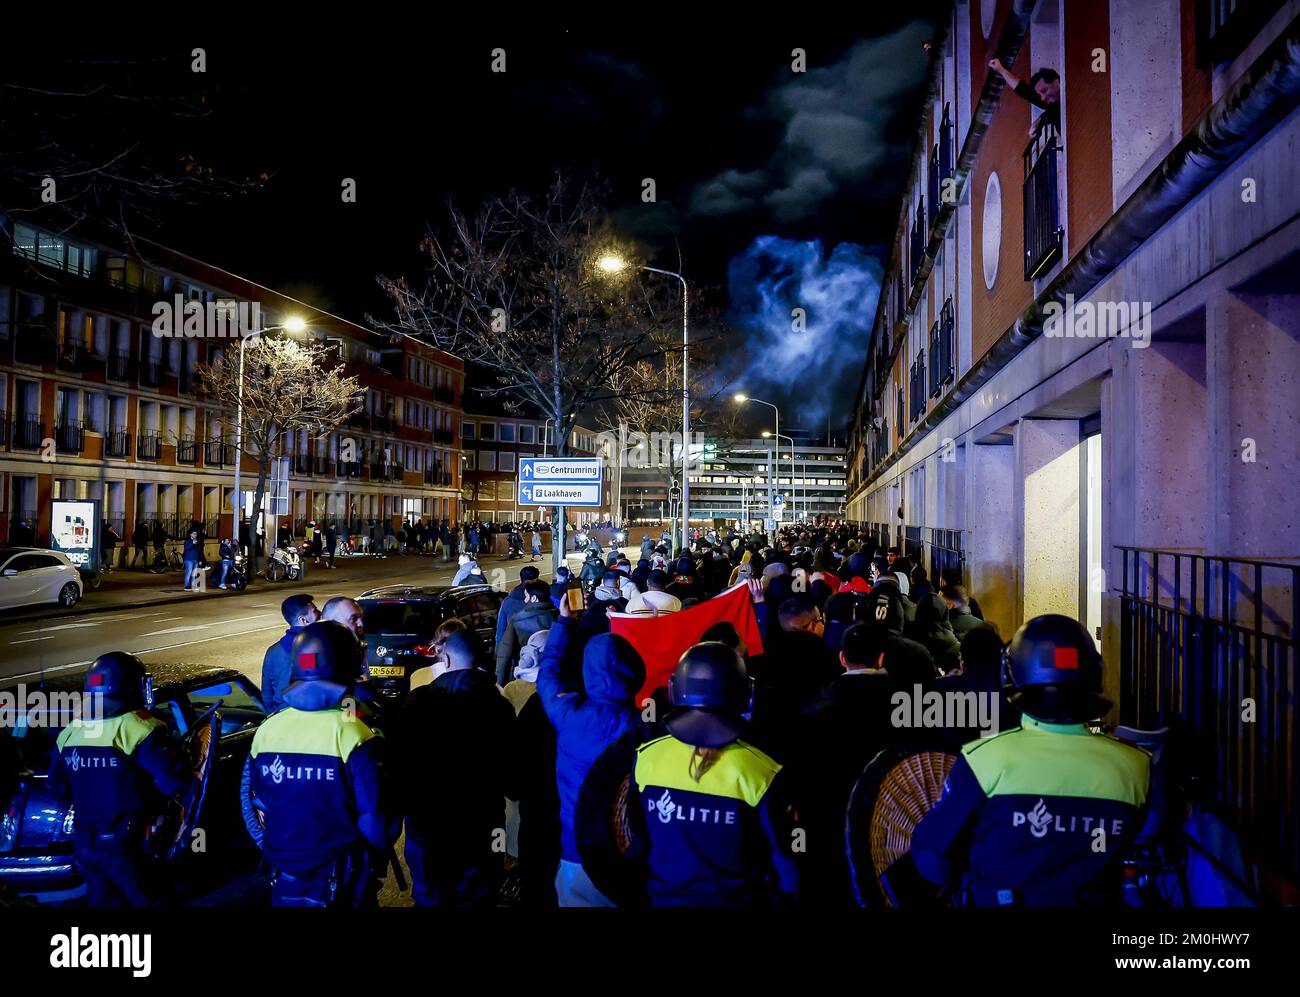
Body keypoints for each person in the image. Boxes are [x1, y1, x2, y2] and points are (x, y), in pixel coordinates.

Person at [911, 614, 1151, 906]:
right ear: (1094, 673)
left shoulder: (984, 760)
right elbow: (1143, 839)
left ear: (1011, 675)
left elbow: (933, 857)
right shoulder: (1136, 766)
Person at [627, 642, 799, 906]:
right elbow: (785, 856)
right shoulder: (761, 772)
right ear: (747, 694)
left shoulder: (646, 757)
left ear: (674, 690)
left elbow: (639, 830)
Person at [245, 621, 398, 906]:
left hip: (284, 878)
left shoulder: (267, 730)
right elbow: (375, 820)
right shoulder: (355, 733)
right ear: (349, 666)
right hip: (342, 882)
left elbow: (260, 803)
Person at [46, 652, 191, 905]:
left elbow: (57, 788)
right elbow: (172, 782)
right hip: (128, 844)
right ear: (133, 685)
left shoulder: (70, 732)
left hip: (84, 844)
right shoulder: (141, 727)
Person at [536, 598, 647, 906]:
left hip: (576, 851)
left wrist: (564, 622)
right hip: (629, 853)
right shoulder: (647, 728)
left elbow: (547, 673)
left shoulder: (568, 714)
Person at [394, 629, 517, 906]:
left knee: (430, 897)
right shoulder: (498, 707)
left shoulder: (417, 703)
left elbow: (399, 768)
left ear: (446, 660)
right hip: (482, 827)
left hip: (427, 829)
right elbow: (513, 779)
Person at [788, 624, 898, 904]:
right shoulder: (906, 705)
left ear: (842, 658)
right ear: (881, 658)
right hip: (890, 827)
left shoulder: (813, 708)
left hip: (829, 825)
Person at [260, 594, 320, 714]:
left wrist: (273, 713)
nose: (320, 613)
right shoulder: (310, 648)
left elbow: (266, 692)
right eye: (315, 611)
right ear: (303, 620)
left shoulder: (272, 651)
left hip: (278, 714)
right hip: (303, 715)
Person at [495, 579, 558, 686]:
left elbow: (505, 655)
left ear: (534, 598)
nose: (525, 600)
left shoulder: (517, 620)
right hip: (555, 675)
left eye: (526, 596)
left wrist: (500, 683)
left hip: (526, 676)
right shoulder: (560, 617)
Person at [989, 57, 1060, 139]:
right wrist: (1001, 70)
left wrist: (1039, 121)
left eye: (1044, 91)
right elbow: (1024, 90)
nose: (1043, 98)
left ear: (1056, 82)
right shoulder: (1052, 107)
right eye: (1040, 95)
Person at [495, 565, 542, 649]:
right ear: (537, 579)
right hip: (539, 649)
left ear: (521, 579)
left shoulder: (508, 602)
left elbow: (501, 631)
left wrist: (499, 653)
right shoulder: (543, 599)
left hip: (516, 651)